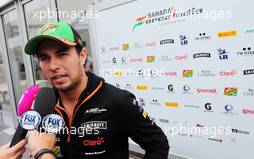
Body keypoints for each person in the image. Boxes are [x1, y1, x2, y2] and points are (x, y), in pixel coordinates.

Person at [24, 22, 169, 159]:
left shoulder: (117, 101)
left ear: (82, 56)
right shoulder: (44, 105)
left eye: (62, 54)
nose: (52, 66)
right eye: (44, 58)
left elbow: (158, 145)